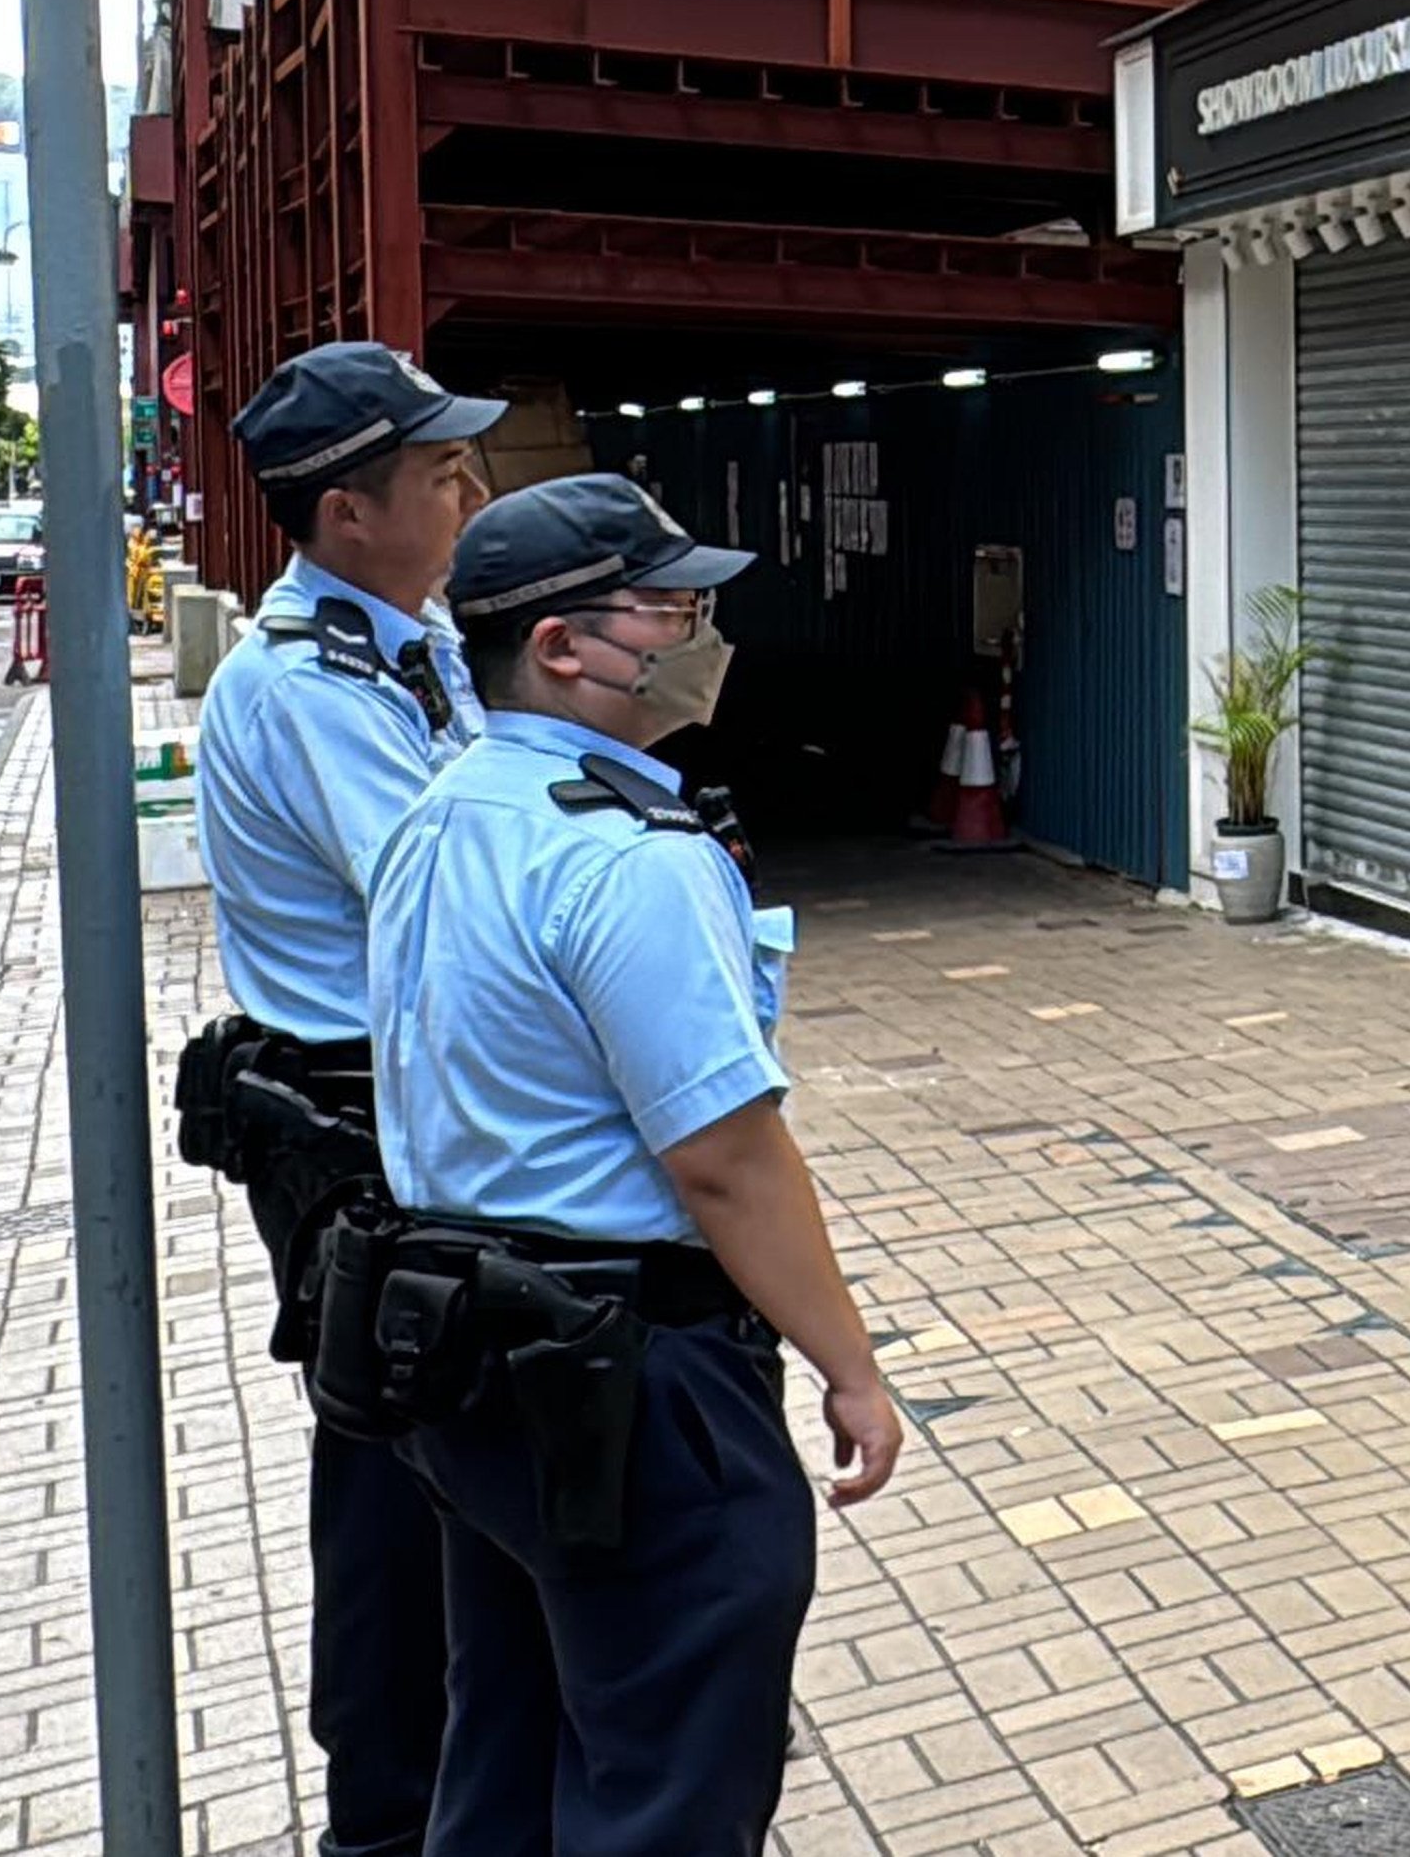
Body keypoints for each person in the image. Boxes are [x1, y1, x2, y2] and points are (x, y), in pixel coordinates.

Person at [359, 473, 899, 1855]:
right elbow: (727, 1160)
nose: (700, 632)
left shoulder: (443, 809)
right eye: (673, 607)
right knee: (667, 1783)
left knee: (507, 1743)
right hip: (631, 1378)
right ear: (560, 645)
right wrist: (850, 1362)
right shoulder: (632, 856)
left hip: (468, 1350)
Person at [184, 341, 504, 1857]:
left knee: (462, 1467)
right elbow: (453, 889)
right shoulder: (308, 684)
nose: (471, 489)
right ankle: (383, 1822)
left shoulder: (413, 640)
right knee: (388, 1486)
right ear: (343, 510)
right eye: (440, 470)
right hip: (359, 1129)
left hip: (416, 1109)